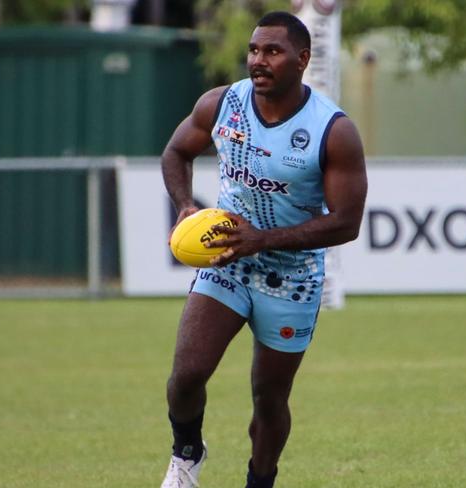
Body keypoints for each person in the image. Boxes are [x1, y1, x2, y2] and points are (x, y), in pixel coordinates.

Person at [160, 11, 367, 488]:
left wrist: (263, 239)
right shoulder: (221, 104)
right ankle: (187, 452)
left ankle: (261, 480)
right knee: (186, 375)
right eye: (254, 50)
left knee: (268, 400)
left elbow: (346, 223)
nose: (259, 60)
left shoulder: (332, 130)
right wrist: (186, 204)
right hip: (227, 261)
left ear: (302, 59)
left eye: (272, 51)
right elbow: (176, 152)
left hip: (292, 277)